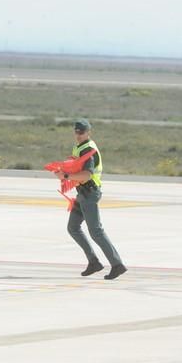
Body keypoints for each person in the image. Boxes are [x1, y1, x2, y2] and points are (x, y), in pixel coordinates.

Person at [54, 119, 127, 280]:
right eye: (76, 131)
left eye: (82, 132)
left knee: (96, 231)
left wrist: (66, 175)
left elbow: (87, 175)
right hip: (82, 194)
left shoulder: (88, 151)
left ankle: (117, 264)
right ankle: (93, 262)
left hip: (89, 193)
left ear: (88, 133)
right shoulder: (79, 147)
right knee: (73, 227)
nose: (78, 135)